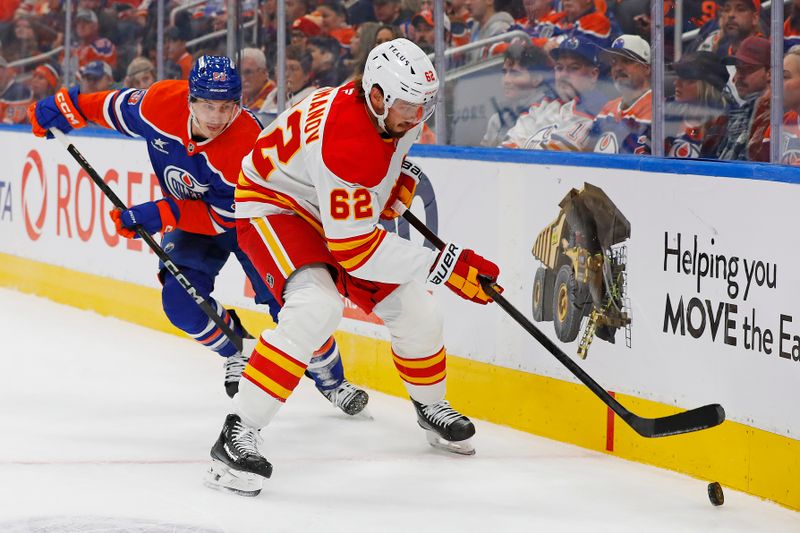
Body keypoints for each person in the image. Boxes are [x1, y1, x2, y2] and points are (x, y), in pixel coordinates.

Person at [205, 38, 500, 496]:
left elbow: (384, 162)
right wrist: (446, 264)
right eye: (408, 104)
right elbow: (356, 250)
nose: (417, 115)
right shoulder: (345, 140)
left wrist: (393, 182)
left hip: (328, 205)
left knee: (419, 312)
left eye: (426, 103)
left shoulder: (391, 109)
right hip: (277, 206)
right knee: (315, 307)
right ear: (377, 95)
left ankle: (431, 407)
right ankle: (237, 432)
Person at [27, 55, 369, 415]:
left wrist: (161, 212)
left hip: (252, 221)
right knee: (180, 303)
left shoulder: (248, 143)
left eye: (226, 107)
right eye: (207, 105)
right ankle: (236, 348)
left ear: (238, 104)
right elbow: (112, 107)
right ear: (190, 99)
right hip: (193, 221)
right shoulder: (159, 104)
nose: (216, 117)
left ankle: (333, 381)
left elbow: (227, 215)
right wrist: (66, 107)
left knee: (291, 306)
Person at [502, 36, 606, 151]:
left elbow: (556, 158)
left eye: (573, 68)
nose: (564, 75)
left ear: (593, 75)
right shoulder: (543, 105)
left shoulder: (596, 108)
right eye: (559, 68)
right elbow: (508, 147)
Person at [481, 40, 554, 146]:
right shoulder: (498, 119)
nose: (506, 80)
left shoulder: (550, 115)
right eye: (504, 72)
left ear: (536, 79)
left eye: (515, 73)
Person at [591, 35, 652, 155]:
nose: (618, 68)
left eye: (627, 61)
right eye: (614, 62)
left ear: (646, 68)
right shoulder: (607, 108)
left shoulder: (659, 108)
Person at [665, 51, 730, 159]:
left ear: (707, 86)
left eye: (687, 79)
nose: (676, 83)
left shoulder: (727, 122)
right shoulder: (668, 110)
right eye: (678, 76)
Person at [714, 35, 770, 160]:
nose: (738, 77)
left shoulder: (776, 117)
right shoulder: (740, 112)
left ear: (770, 73)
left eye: (748, 69)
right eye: (738, 69)